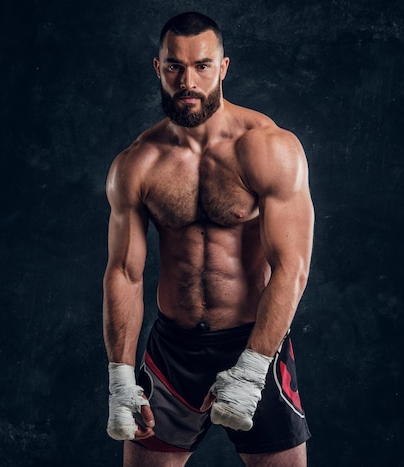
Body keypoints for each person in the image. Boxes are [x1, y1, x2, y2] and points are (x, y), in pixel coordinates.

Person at [102, 11, 314, 467]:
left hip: (252, 339)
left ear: (223, 68)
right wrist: (120, 377)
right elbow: (124, 273)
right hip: (172, 349)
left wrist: (254, 366)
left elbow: (291, 267)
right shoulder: (137, 163)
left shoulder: (267, 147)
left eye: (202, 65)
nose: (188, 80)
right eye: (175, 66)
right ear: (158, 69)